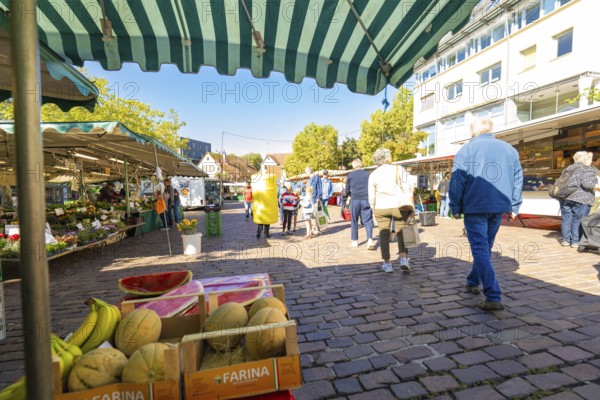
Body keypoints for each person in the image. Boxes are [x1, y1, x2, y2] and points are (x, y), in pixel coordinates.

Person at [449, 117, 523, 311]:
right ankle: (473, 280)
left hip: (475, 206)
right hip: (499, 206)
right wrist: (515, 205)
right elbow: (517, 179)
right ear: (491, 129)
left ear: (473, 132)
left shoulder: (466, 150)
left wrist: (455, 206)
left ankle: (493, 295)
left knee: (481, 248)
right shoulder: (509, 150)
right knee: (485, 247)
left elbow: (457, 181)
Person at [368, 148, 414, 273]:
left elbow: (371, 196)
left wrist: (373, 209)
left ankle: (387, 263)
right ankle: (404, 259)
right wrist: (411, 204)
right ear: (388, 157)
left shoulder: (373, 174)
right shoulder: (399, 169)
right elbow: (407, 188)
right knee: (401, 233)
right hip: (398, 206)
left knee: (383, 235)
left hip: (381, 207)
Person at [558, 151, 597, 248]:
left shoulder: (568, 168)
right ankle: (575, 242)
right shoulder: (587, 169)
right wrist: (596, 185)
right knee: (578, 220)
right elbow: (588, 185)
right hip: (581, 198)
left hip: (565, 197)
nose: (591, 161)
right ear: (585, 159)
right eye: (590, 159)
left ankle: (565, 240)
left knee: (566, 219)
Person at [346, 159, 374, 248]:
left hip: (355, 199)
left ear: (353, 166)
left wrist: (351, 195)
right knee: (368, 220)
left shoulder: (350, 175)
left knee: (354, 220)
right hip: (366, 199)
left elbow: (347, 190)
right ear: (361, 164)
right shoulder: (368, 174)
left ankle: (355, 241)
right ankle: (369, 239)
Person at [306, 167, 322, 233]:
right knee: (312, 215)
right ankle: (316, 229)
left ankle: (316, 229)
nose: (305, 173)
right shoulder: (309, 180)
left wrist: (319, 197)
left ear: (309, 171)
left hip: (315, 199)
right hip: (310, 199)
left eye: (306, 171)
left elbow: (320, 188)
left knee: (314, 215)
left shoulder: (316, 178)